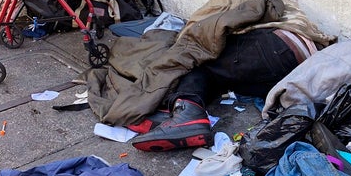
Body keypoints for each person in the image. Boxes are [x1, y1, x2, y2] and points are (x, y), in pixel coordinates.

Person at [129, 27, 319, 152]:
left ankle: (187, 113)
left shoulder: (195, 31)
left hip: (280, 47)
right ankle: (181, 111)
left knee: (197, 62)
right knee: (219, 78)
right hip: (292, 70)